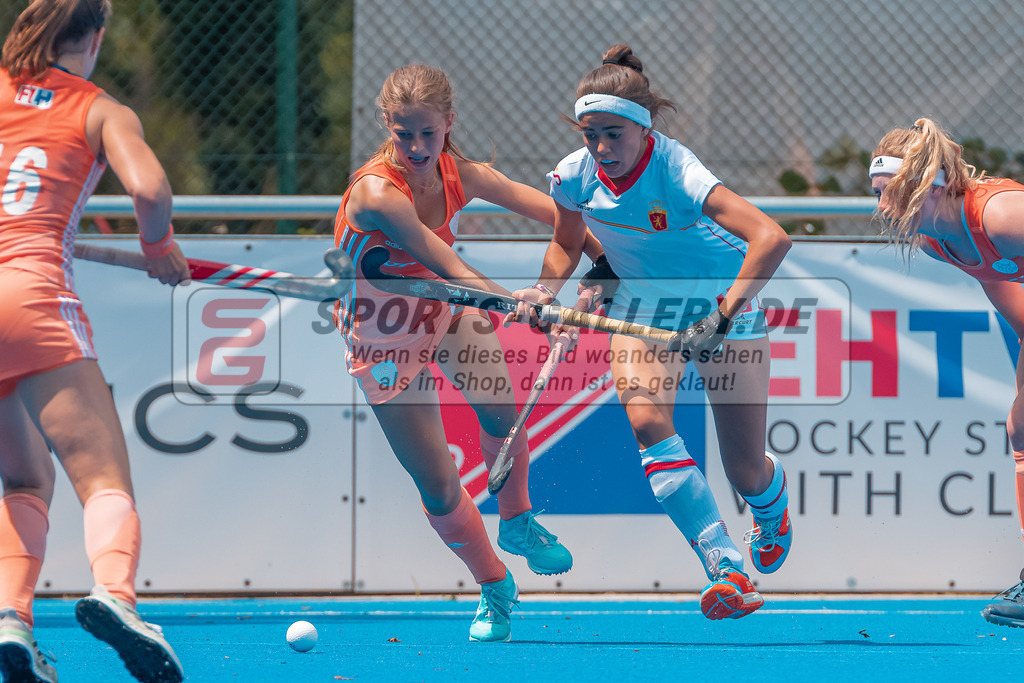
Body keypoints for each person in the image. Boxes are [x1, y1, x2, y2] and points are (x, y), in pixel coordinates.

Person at [507, 44, 794, 620]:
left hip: (723, 305)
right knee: (646, 419)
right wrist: (545, 291)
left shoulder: (678, 171)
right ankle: (724, 565)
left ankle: (771, 506)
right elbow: (567, 243)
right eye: (590, 134)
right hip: (641, 308)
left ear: (644, 127)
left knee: (743, 468)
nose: (601, 148)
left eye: (613, 134)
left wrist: (722, 314)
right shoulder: (572, 177)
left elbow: (771, 237)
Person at [334, 63, 597, 642]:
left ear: (448, 124)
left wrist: (600, 259)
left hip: (444, 312)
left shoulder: (463, 173)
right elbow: (448, 265)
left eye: (428, 133)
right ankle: (494, 585)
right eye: (404, 134)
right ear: (388, 126)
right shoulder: (379, 193)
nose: (417, 147)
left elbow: (560, 215)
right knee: (439, 484)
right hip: (382, 336)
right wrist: (523, 309)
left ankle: (519, 521)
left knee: (503, 416)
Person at [0, 1, 189, 681]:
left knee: (25, 477)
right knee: (103, 476)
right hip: (31, 291)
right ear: (97, 37)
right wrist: (159, 246)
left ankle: (12, 622)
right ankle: (116, 593)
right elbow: (150, 186)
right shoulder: (101, 109)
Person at [869, 117, 1024, 628]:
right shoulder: (938, 242)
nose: (880, 209)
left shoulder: (1001, 215)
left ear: (924, 188)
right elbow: (1010, 301)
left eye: (886, 193)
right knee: (1020, 430)